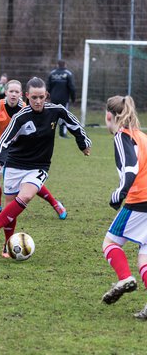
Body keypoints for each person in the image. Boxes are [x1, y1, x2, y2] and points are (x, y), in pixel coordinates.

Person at [0, 77, 91, 258]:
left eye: (41, 97)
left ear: (46, 95)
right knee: (10, 208)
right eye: (34, 98)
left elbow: (75, 125)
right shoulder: (20, 117)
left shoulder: (57, 110)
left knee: (26, 195)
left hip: (39, 166)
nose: (38, 101)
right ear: (27, 96)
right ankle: (8, 244)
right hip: (16, 164)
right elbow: (3, 140)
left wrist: (83, 144)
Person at [0, 79, 67, 228]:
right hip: (0, 148)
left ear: (22, 94)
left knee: (29, 182)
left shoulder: (26, 108)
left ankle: (55, 204)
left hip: (21, 150)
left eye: (17, 92)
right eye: (11, 91)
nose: (14, 94)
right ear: (6, 93)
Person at [102, 95, 147, 320]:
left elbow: (130, 169)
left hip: (140, 199)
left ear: (109, 116)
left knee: (110, 242)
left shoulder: (122, 137)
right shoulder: (143, 136)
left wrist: (119, 193)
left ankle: (125, 278)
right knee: (145, 255)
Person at [47, 59, 76, 138]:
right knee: (64, 115)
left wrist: (46, 97)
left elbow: (48, 87)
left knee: (51, 115)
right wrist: (73, 99)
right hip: (64, 99)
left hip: (53, 99)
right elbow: (72, 88)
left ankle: (48, 132)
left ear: (57, 65)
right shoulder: (68, 74)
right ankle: (62, 134)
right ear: (65, 65)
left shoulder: (52, 74)